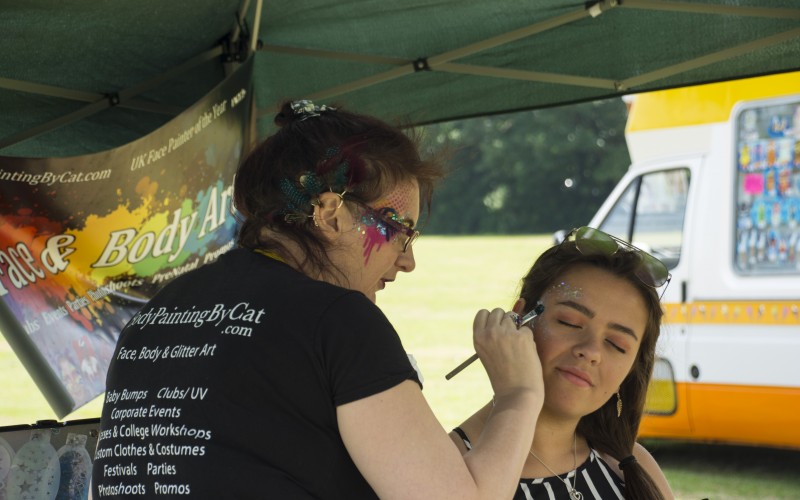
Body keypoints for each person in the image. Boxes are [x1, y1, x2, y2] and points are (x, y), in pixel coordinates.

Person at [91, 100, 545, 499]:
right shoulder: (338, 320)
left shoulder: (158, 313)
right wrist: (518, 395)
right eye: (400, 232)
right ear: (330, 214)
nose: (407, 262)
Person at [450, 227, 675, 499]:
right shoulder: (446, 466)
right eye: (569, 322)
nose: (591, 351)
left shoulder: (630, 467)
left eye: (617, 345)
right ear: (519, 319)